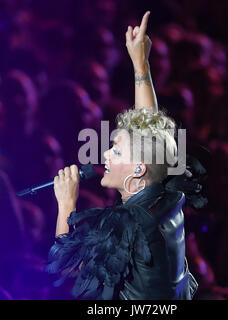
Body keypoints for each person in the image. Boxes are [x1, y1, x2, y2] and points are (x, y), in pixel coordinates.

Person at [45, 12, 203, 300]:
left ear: (139, 169)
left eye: (116, 151)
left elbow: (66, 266)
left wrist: (66, 202)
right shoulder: (166, 198)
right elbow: (149, 128)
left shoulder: (128, 224)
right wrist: (140, 63)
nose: (105, 153)